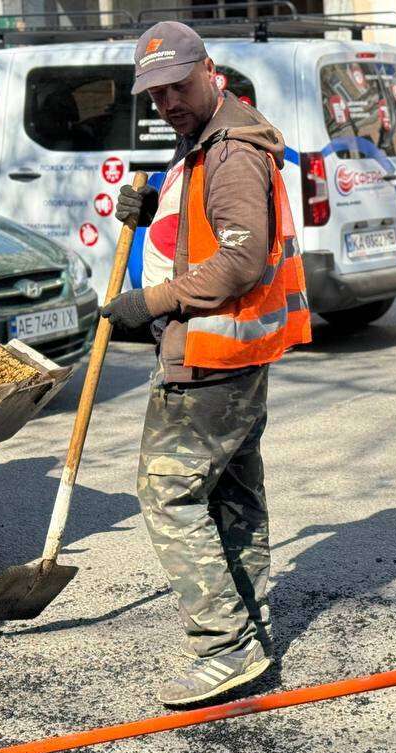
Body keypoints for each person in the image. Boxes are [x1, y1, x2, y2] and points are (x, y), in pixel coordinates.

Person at [100, 21, 311, 706]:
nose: (167, 103)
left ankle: (224, 646)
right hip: (234, 352)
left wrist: (149, 301)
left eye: (177, 87)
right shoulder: (208, 139)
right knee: (231, 498)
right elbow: (199, 227)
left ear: (209, 70)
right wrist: (153, 202)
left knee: (167, 493)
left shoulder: (231, 152)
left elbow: (240, 259)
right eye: (155, 95)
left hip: (212, 356)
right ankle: (249, 634)